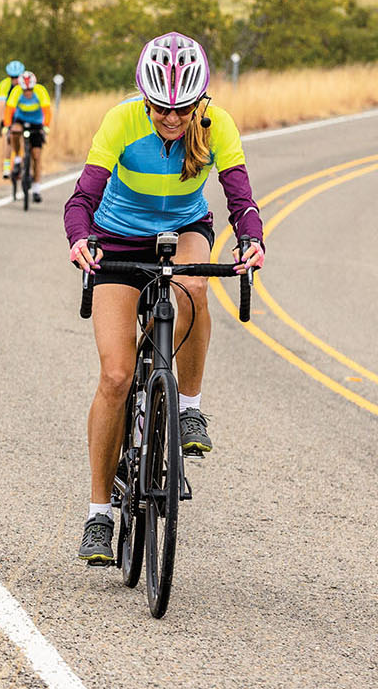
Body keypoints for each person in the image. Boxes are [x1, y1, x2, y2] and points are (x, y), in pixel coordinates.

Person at [63, 32, 266, 567]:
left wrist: (252, 240)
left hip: (182, 229)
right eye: (159, 110)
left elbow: (240, 198)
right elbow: (83, 195)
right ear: (144, 99)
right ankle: (99, 514)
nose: (170, 120)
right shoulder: (121, 120)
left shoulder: (216, 124)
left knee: (195, 284)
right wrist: (81, 238)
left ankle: (188, 409)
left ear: (199, 101)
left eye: (181, 110)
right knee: (114, 376)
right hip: (119, 238)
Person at [2, 69, 52, 202]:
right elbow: (9, 111)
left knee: (36, 156)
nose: (28, 93)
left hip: (36, 123)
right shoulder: (16, 92)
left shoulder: (40, 91)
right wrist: (7, 126)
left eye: (30, 89)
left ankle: (36, 189)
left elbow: (47, 111)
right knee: (15, 131)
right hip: (21, 120)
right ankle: (18, 157)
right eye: (25, 90)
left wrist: (46, 126)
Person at [0, 59, 25, 175]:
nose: (15, 80)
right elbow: (2, 106)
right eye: (12, 77)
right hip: (10, 113)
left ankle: (25, 161)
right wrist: (3, 122)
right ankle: (6, 166)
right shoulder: (4, 85)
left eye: (17, 77)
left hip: (24, 113)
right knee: (9, 137)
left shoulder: (26, 83)